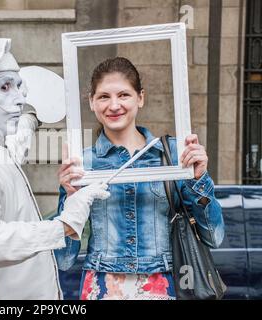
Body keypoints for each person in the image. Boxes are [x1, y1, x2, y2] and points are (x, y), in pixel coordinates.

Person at [0, 38, 110, 300]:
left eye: (19, 87)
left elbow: (20, 140)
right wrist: (62, 226)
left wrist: (31, 118)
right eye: (4, 87)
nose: (19, 99)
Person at [54, 57, 225, 300]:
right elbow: (64, 259)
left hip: (162, 287)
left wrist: (200, 179)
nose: (114, 105)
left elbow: (214, 236)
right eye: (104, 96)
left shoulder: (175, 156)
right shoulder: (82, 164)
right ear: (92, 102)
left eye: (124, 95)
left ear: (140, 98)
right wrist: (69, 198)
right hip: (102, 288)